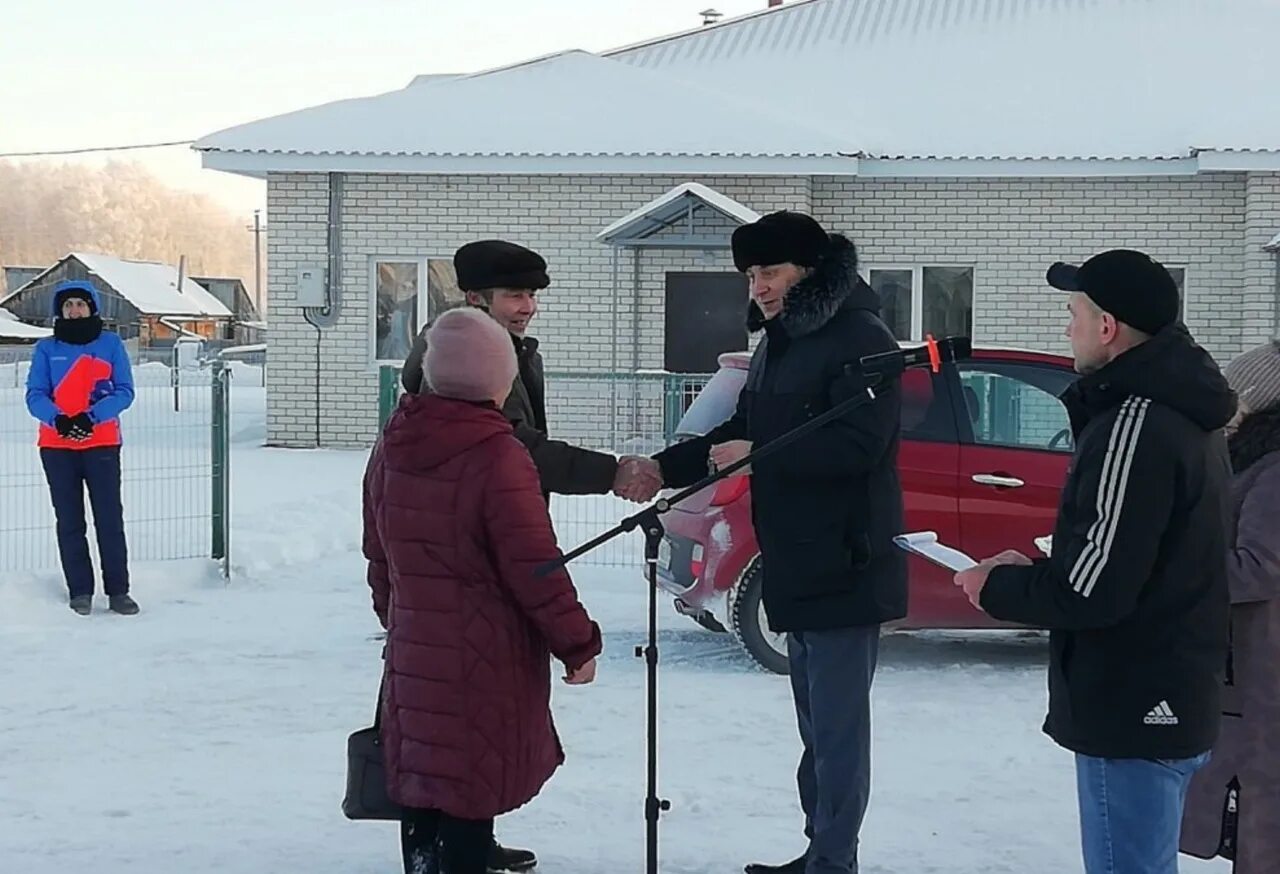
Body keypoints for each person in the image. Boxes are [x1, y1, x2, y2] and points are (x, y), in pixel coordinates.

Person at [954, 250, 1235, 874]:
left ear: (1107, 327)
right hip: (1170, 692)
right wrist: (1025, 567)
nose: (1067, 330)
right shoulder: (1181, 412)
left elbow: (1092, 592)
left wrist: (994, 585)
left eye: (1073, 314)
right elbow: (1137, 555)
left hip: (1135, 700)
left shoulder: (1134, 423)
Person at [652, 211, 906, 874]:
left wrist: (761, 455)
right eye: (749, 275)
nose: (757, 287)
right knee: (815, 730)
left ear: (810, 270)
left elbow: (861, 442)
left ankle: (833, 860)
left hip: (846, 563)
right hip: (795, 559)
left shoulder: (860, 335)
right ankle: (818, 849)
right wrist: (663, 468)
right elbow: (744, 423)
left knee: (838, 732)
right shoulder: (783, 339)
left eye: (769, 271)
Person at [362, 307, 603, 874]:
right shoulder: (498, 456)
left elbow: (378, 552)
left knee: (424, 777)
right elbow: (535, 567)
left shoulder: (393, 443)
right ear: (499, 381)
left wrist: (399, 619)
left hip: (414, 650)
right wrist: (577, 644)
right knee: (469, 783)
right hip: (486, 656)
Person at [402, 240, 662, 507]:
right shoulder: (463, 360)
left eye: (532, 294)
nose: (528, 307)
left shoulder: (512, 353)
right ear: (475, 298)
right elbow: (510, 446)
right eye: (515, 295)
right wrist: (609, 472)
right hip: (477, 525)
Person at [1181, 339, 1280, 872]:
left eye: (1234, 397)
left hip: (1264, 676)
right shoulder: (1255, 462)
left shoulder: (1274, 471)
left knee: (1263, 824)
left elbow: (1260, 567)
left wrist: (1175, 568)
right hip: (1254, 673)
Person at [25, 279, 138, 616]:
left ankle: (118, 591)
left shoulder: (110, 344)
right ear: (60, 311)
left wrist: (91, 418)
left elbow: (124, 391)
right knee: (70, 521)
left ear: (92, 308)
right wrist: (58, 420)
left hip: (101, 443)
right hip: (57, 447)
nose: (74, 310)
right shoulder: (46, 348)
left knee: (109, 518)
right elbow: (35, 394)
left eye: (80, 304)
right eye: (68, 305)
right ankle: (80, 591)